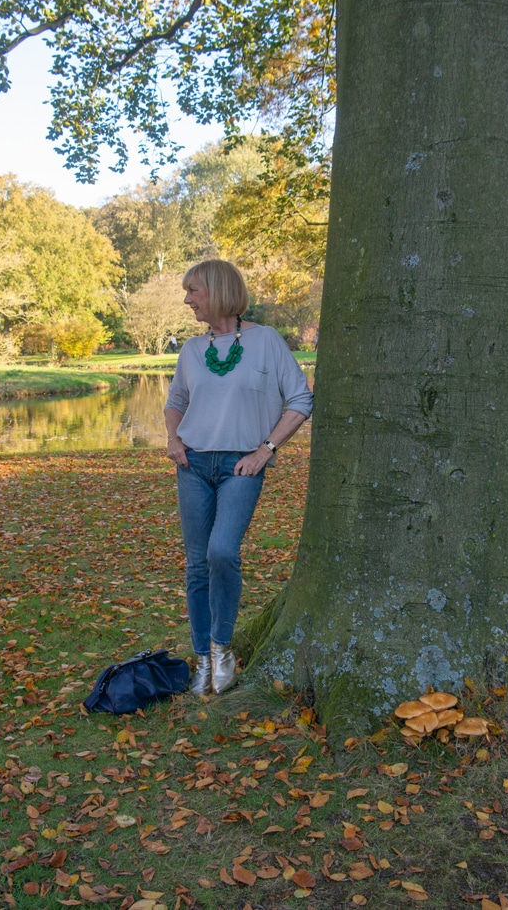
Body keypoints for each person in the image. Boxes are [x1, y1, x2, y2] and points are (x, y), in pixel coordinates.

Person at [164, 260, 313, 695]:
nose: (187, 299)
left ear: (218, 291)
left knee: (222, 552)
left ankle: (223, 647)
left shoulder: (266, 341)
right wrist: (173, 439)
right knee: (196, 564)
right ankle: (203, 659)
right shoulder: (192, 349)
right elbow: (176, 400)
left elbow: (301, 399)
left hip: (241, 466)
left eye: (194, 291)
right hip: (192, 465)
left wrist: (266, 449)